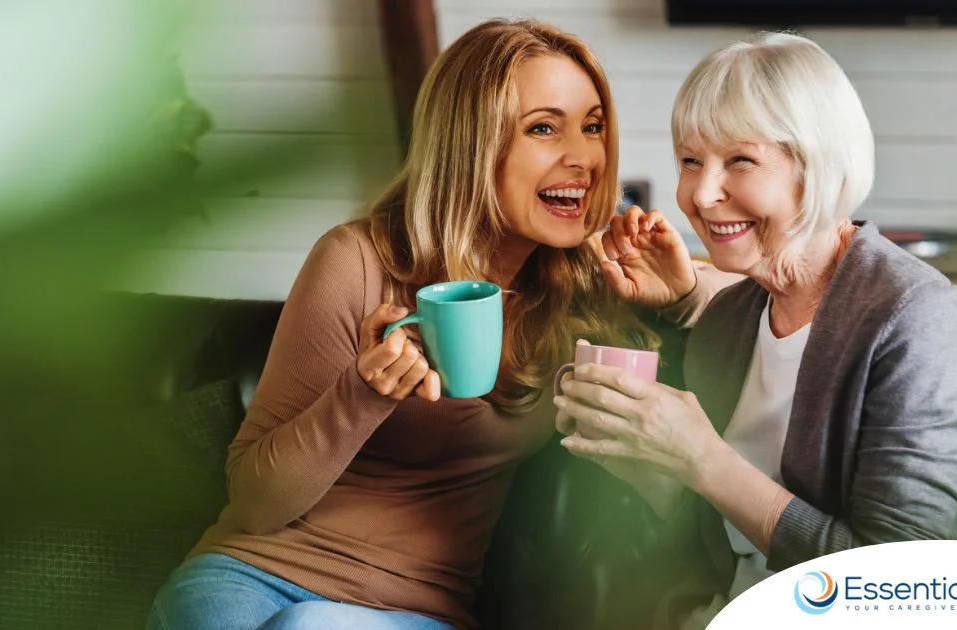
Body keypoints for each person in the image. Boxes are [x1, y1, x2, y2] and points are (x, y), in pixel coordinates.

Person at [146, 18, 658, 630]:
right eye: (544, 128)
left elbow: (736, 317)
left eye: (593, 126)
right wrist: (363, 395)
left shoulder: (587, 293)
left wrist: (679, 296)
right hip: (249, 576)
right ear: (471, 144)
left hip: (413, 610)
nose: (583, 158)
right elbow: (255, 506)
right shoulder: (357, 262)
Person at [553, 32, 957, 628]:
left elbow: (897, 587)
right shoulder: (728, 321)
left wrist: (703, 458)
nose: (701, 194)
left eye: (740, 161)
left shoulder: (917, 320)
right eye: (690, 161)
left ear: (818, 166)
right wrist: (649, 465)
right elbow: (719, 540)